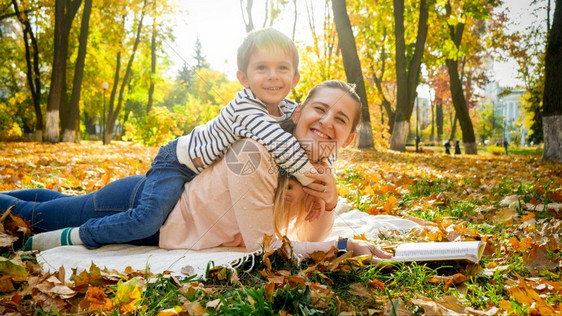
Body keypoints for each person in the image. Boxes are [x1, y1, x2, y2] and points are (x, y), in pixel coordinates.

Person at [1, 80, 392, 261]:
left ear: (349, 138)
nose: (326, 123)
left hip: (159, 224)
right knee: (32, 219)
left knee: (53, 205)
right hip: (148, 210)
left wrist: (328, 200)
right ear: (299, 111)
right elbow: (266, 249)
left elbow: (303, 234)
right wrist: (342, 246)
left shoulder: (317, 170)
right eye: (319, 109)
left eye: (340, 119)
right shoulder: (254, 151)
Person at [11, 28, 326, 250]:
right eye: (262, 68)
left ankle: (11, 193)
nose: (273, 76)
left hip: (189, 176)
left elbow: (311, 141)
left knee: (59, 203)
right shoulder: (247, 108)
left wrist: (327, 176)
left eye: (282, 68)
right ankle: (75, 237)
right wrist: (318, 182)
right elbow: (283, 145)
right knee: (145, 220)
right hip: (177, 163)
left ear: (295, 78)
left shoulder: (287, 110)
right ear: (243, 78)